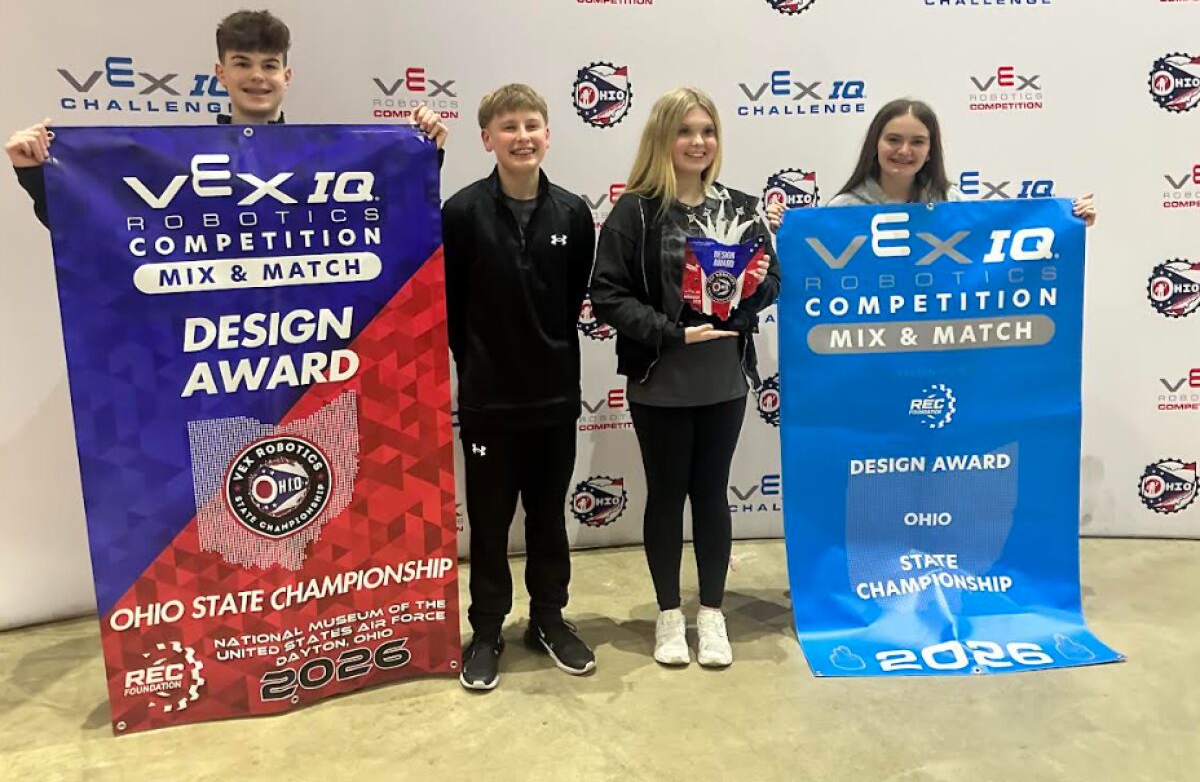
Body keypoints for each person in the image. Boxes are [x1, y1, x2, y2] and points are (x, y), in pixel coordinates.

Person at [590, 87, 781, 668]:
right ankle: (670, 616)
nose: (698, 142)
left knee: (713, 496)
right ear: (662, 139)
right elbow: (607, 295)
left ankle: (712, 615)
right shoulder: (636, 210)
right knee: (667, 498)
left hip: (723, 379)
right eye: (685, 131)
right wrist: (672, 333)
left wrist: (738, 311)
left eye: (708, 130)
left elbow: (772, 282)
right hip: (661, 380)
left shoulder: (743, 208)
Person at [6, 9, 448, 229]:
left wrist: (424, 152)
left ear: (286, 76)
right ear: (221, 73)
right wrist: (34, 175)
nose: (257, 76)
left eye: (270, 65)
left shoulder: (322, 157)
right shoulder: (176, 161)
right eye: (242, 62)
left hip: (305, 346)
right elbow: (99, 229)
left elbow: (390, 221)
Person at [442, 84, 597, 691]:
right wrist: (478, 365)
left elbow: (570, 300)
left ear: (548, 133)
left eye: (532, 124)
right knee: (487, 521)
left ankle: (549, 620)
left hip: (554, 398)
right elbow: (451, 306)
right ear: (487, 139)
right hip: (488, 402)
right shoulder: (460, 213)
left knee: (547, 517)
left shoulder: (572, 213)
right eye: (508, 127)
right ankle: (486, 631)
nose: (522, 136)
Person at [820, 98, 1095, 223]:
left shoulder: (952, 201)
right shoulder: (842, 209)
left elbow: (998, 238)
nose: (904, 151)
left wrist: (1068, 220)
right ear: (875, 144)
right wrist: (785, 229)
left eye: (917, 142)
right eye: (893, 139)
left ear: (930, 151)